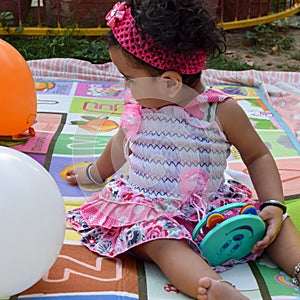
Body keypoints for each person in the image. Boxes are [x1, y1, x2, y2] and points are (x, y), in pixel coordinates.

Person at [66, 0, 300, 299]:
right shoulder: (141, 109)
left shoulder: (221, 112)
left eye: (129, 79)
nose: (125, 87)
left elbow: (258, 155)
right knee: (160, 242)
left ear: (169, 83)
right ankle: (213, 287)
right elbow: (119, 146)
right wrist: (93, 173)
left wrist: (273, 204)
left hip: (211, 206)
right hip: (149, 208)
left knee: (271, 223)